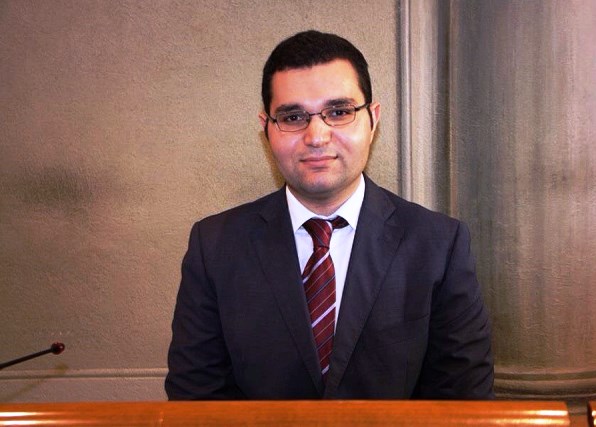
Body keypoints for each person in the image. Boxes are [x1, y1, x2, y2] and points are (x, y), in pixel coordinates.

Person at [165, 30, 494, 400]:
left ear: (373, 119)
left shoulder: (439, 245)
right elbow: (196, 400)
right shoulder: (215, 246)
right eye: (293, 116)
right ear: (267, 129)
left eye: (339, 112)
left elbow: (463, 402)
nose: (317, 136)